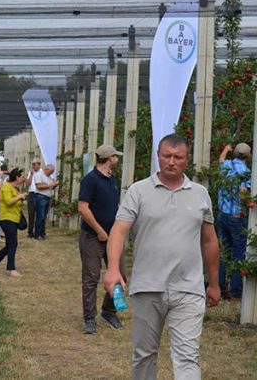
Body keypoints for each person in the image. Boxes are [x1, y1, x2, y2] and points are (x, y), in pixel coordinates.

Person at [104, 134, 220, 379]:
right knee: (144, 354)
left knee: (188, 355)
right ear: (158, 156)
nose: (171, 162)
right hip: (148, 286)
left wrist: (214, 283)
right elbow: (119, 231)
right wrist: (113, 268)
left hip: (188, 288)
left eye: (178, 157)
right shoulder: (138, 191)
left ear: (187, 160)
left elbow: (209, 240)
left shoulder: (200, 194)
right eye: (166, 156)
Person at [77, 144, 124, 335]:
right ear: (109, 158)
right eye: (115, 156)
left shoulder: (113, 180)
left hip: (113, 236)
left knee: (120, 274)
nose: (118, 159)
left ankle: (110, 311)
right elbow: (82, 207)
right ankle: (89, 319)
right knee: (91, 277)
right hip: (92, 236)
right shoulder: (90, 180)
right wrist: (99, 230)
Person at [217, 142, 252, 300]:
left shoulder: (227, 166)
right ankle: (236, 292)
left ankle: (220, 287)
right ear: (248, 156)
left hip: (223, 216)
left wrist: (226, 148)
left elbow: (221, 159)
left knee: (224, 253)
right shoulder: (247, 174)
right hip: (237, 218)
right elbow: (245, 195)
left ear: (235, 153)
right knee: (238, 254)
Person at [0, 168, 26, 277]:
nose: (23, 179)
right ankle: (11, 269)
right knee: (12, 244)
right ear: (17, 177)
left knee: (10, 244)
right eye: (22, 176)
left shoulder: (14, 188)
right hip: (6, 219)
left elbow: (15, 203)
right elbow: (9, 202)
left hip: (13, 219)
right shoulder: (6, 187)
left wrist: (21, 197)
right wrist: (19, 197)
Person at [32, 163, 58, 240]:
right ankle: (37, 234)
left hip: (47, 197)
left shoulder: (49, 177)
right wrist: (50, 185)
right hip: (41, 197)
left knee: (44, 217)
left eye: (52, 172)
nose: (51, 173)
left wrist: (54, 185)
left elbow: (49, 187)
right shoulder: (39, 175)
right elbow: (39, 186)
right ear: (46, 169)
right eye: (50, 172)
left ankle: (42, 233)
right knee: (40, 216)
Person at [26, 159, 42, 238]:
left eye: (34, 164)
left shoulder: (42, 172)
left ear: (39, 164)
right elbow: (27, 184)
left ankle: (38, 232)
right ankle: (30, 232)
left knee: (39, 214)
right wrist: (31, 175)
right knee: (31, 214)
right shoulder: (30, 173)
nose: (33, 166)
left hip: (39, 193)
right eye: (32, 164)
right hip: (31, 193)